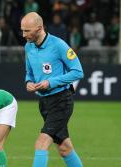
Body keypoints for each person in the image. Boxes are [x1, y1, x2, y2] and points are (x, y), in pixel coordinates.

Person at [21, 12, 83, 167]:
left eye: (27, 31)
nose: (23, 35)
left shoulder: (58, 45)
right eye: (22, 30)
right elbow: (29, 72)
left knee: (41, 143)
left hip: (61, 100)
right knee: (64, 148)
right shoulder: (28, 47)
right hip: (44, 102)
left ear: (39, 28)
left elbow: (78, 71)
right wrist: (28, 82)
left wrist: (51, 82)